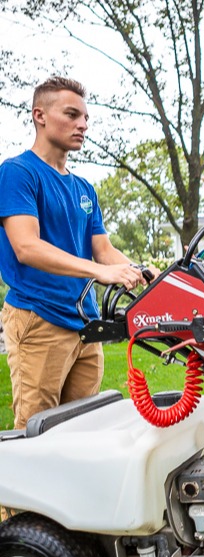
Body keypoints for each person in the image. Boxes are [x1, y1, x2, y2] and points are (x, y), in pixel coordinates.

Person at [0, 76, 147, 431]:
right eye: (71, 114)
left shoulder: (83, 187)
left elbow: (103, 249)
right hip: (39, 318)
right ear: (40, 115)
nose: (82, 125)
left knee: (82, 431)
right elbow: (26, 247)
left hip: (85, 325)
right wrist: (99, 272)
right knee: (35, 433)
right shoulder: (17, 173)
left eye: (85, 118)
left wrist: (140, 271)